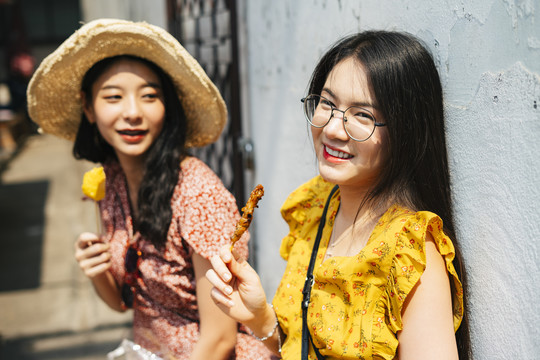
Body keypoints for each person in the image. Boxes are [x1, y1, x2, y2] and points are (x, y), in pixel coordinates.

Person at [206, 30, 471, 359]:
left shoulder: (410, 253)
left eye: (363, 115)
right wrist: (260, 319)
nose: (331, 128)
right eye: (328, 103)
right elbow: (301, 347)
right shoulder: (317, 205)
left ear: (405, 132)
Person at [26, 19, 276, 360]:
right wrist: (97, 270)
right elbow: (122, 303)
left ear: (166, 108)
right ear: (88, 107)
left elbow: (220, 339)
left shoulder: (198, 195)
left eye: (149, 96)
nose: (132, 113)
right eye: (113, 97)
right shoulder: (110, 182)